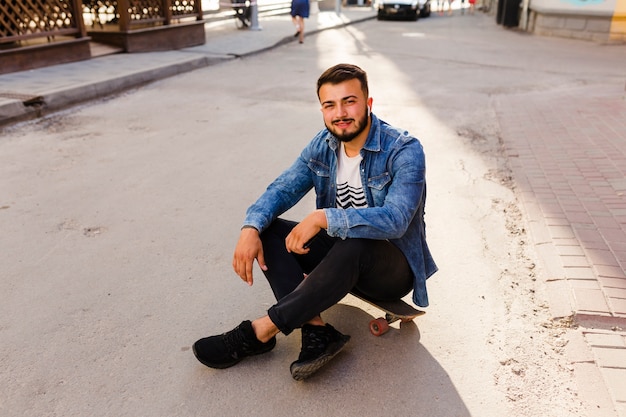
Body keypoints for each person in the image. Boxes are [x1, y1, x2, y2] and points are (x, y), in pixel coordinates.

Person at [192, 63, 438, 381]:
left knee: (358, 243)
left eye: (349, 101)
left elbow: (395, 221)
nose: (340, 113)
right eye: (329, 105)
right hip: (339, 256)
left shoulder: (404, 150)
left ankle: (260, 331)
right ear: (322, 110)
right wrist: (250, 227)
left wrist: (324, 217)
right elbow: (282, 188)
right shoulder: (322, 146)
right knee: (269, 231)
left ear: (368, 103)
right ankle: (317, 332)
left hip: (391, 267)